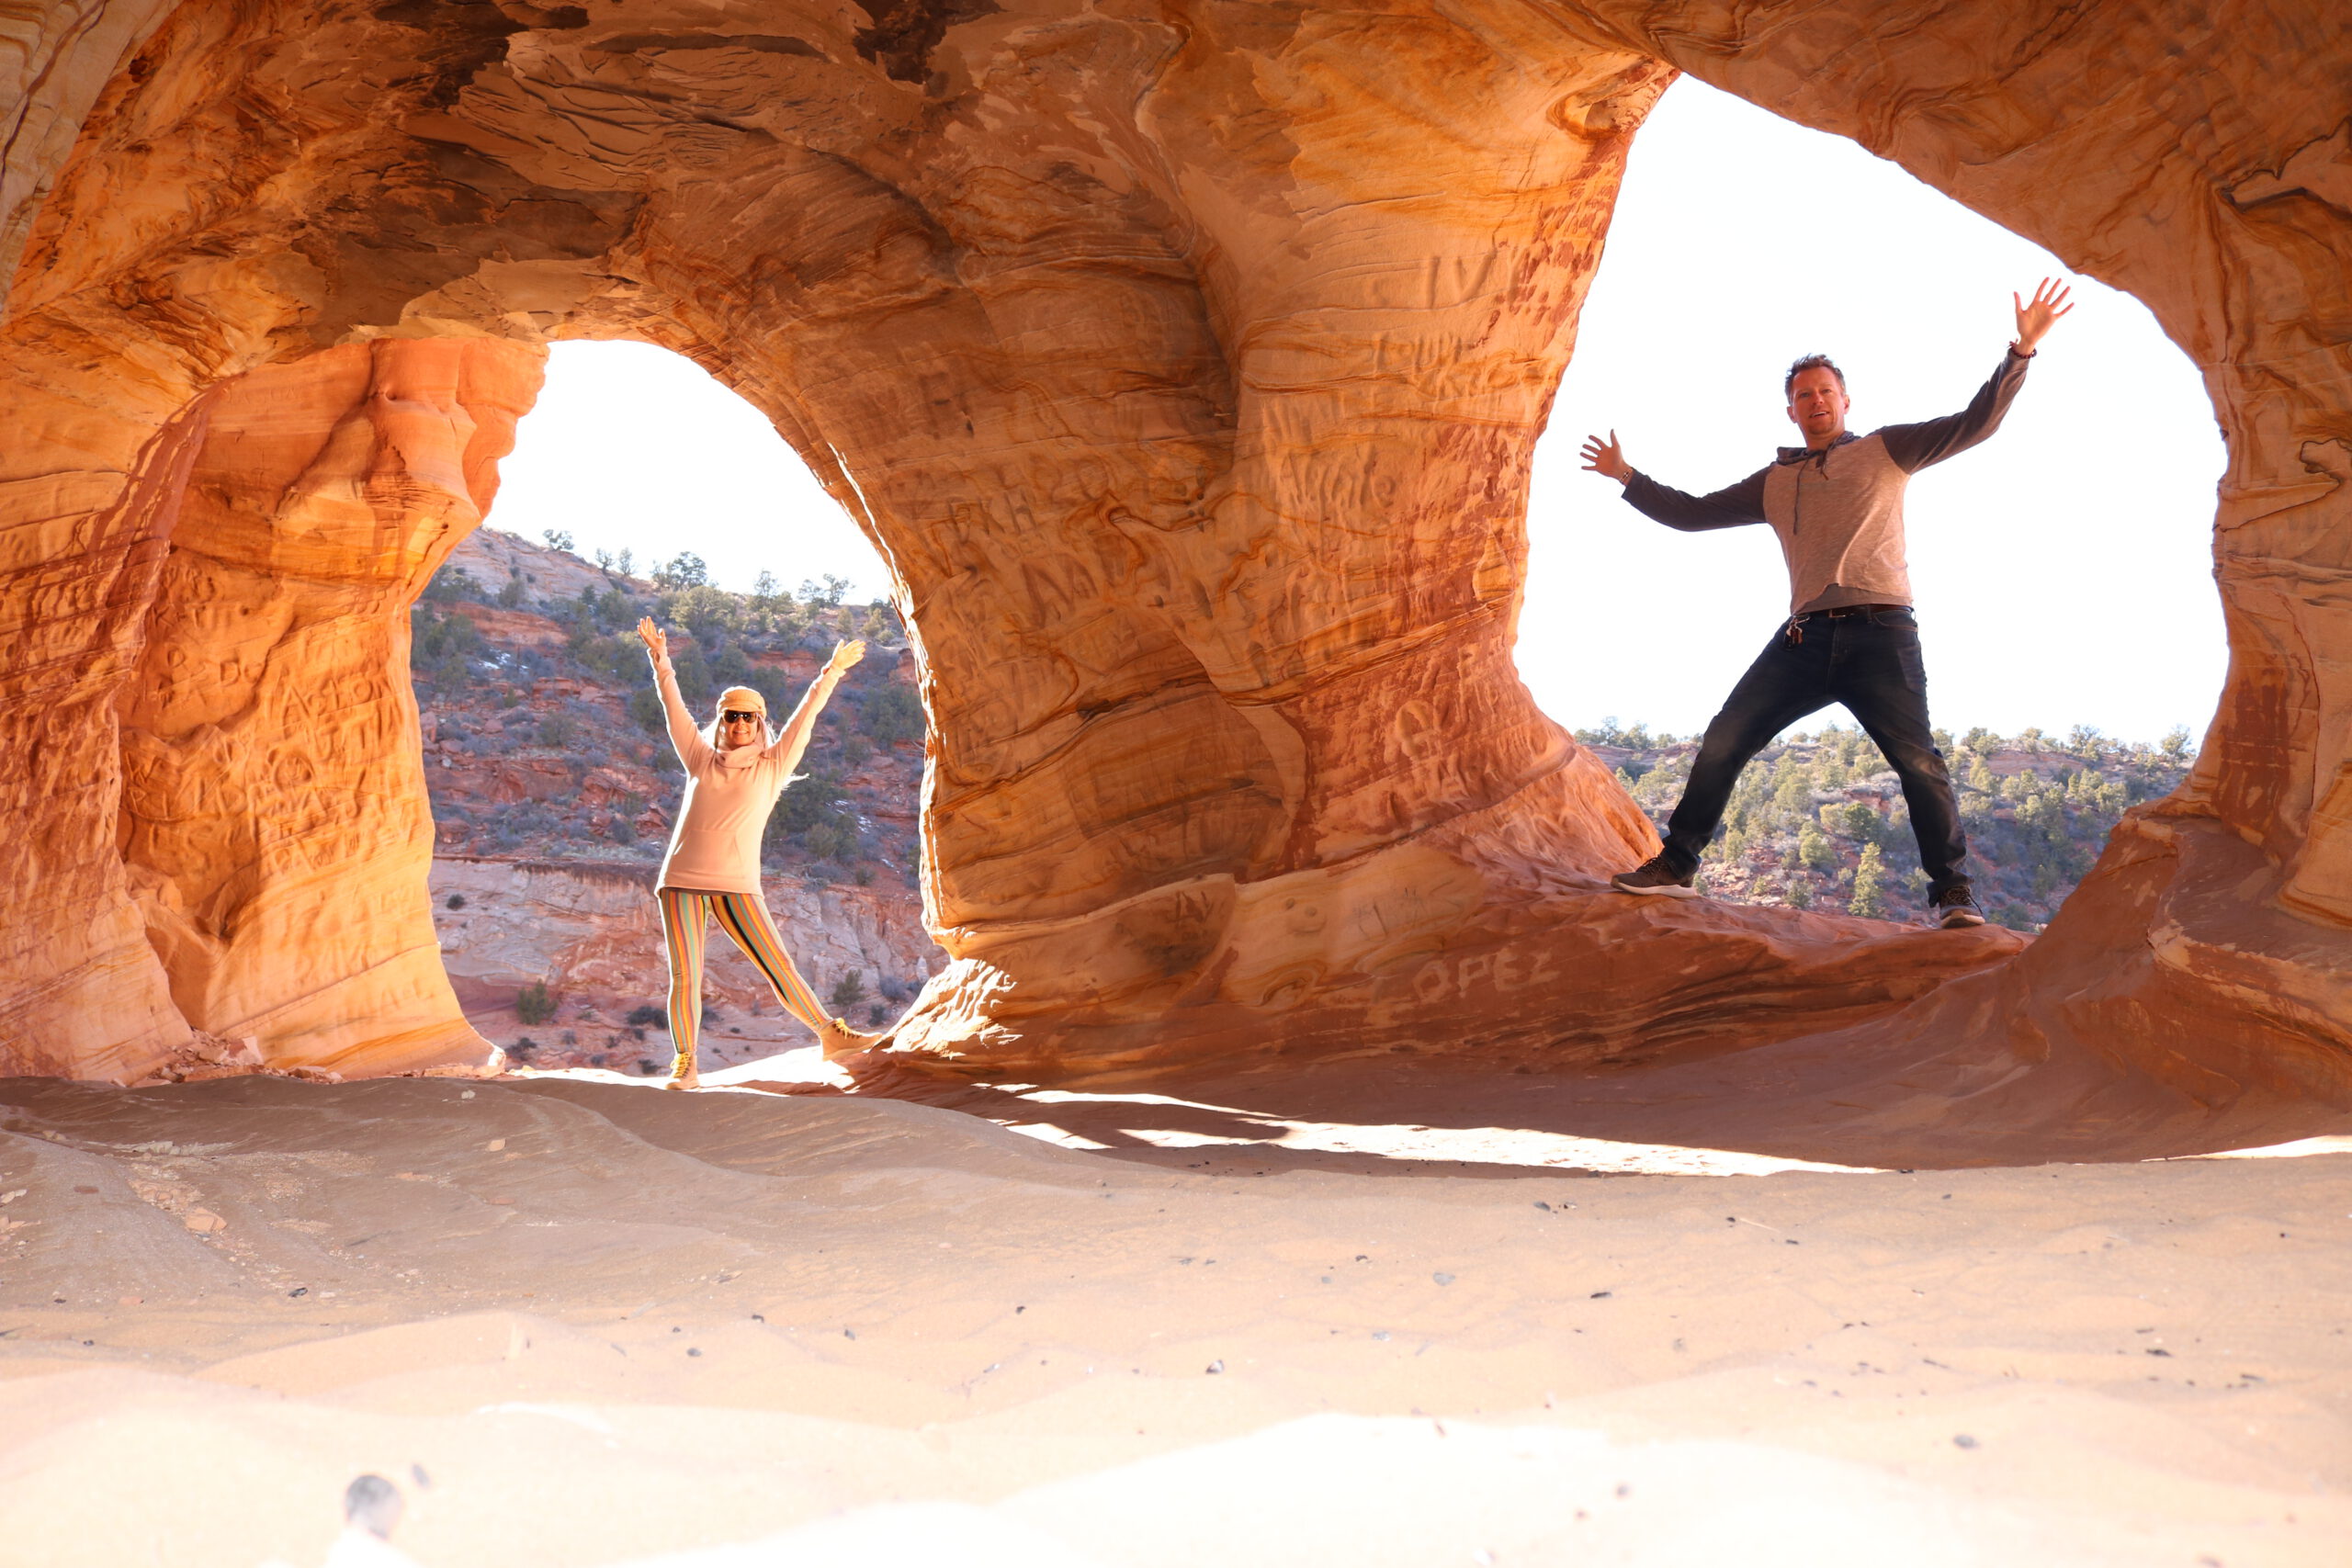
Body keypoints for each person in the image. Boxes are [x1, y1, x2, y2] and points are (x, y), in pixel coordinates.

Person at [1577, 278, 2075, 929]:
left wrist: (2021, 352)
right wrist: (1628, 478)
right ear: (1791, 410)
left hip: (1883, 633)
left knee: (1920, 760)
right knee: (1726, 735)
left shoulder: (1887, 449)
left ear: (1845, 400)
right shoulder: (1775, 480)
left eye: (1825, 391)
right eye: (1802, 394)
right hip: (1804, 640)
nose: (1815, 400)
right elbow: (1693, 514)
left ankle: (1954, 893)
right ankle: (1676, 864)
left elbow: (1973, 423)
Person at [636, 616, 883, 1088]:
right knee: (686, 976)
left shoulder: (774, 764)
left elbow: (806, 714)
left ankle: (831, 1034)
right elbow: (672, 707)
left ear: (761, 722)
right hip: (682, 882)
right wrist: (659, 658)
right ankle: (686, 1064)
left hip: (738, 884)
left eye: (750, 716)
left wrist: (831, 671)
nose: (741, 723)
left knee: (778, 964)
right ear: (721, 720)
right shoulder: (699, 757)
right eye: (732, 715)